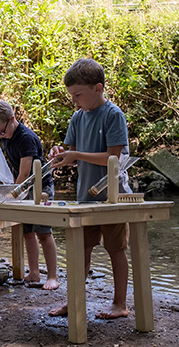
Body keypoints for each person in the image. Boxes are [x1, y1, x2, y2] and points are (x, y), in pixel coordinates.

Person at [49, 58, 132, 319]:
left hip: (112, 196)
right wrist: (60, 153)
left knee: (115, 249)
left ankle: (120, 304)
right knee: (79, 251)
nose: (74, 100)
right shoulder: (78, 117)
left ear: (98, 88)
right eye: (71, 95)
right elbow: (71, 151)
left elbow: (113, 158)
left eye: (78, 95)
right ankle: (73, 301)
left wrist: (77, 155)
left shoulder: (113, 115)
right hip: (86, 196)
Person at [0, 101, 59, 290]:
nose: (1, 136)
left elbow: (25, 173)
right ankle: (34, 272)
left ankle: (52, 276)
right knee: (27, 232)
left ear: (12, 119)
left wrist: (10, 194)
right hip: (23, 189)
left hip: (40, 189)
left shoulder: (26, 138)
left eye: (2, 131)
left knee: (43, 232)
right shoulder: (7, 137)